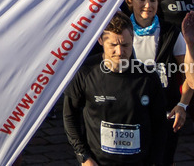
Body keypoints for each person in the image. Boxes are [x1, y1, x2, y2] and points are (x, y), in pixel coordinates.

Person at [63, 13, 168, 165]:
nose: (119, 52)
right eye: (113, 45)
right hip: (98, 162)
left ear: (133, 40)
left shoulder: (148, 77)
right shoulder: (85, 73)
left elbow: (160, 124)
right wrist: (84, 157)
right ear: (100, 40)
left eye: (125, 45)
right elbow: (69, 116)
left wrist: (155, 161)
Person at [126, 0, 191, 163]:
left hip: (164, 113)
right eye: (142, 0)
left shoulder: (171, 32)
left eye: (153, 0)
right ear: (129, 0)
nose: (148, 5)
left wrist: (182, 105)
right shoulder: (120, 31)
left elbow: (189, 74)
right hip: (130, 114)